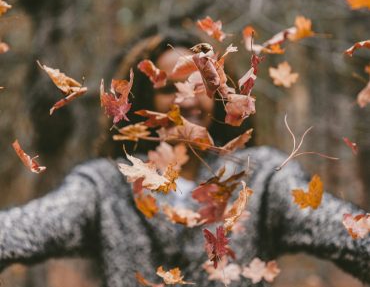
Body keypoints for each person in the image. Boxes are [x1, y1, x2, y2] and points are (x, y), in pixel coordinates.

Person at [0, 30, 369, 287]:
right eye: (168, 89)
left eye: (200, 85)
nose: (187, 99)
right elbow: (25, 229)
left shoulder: (260, 180)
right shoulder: (106, 186)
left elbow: (347, 234)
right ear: (143, 103)